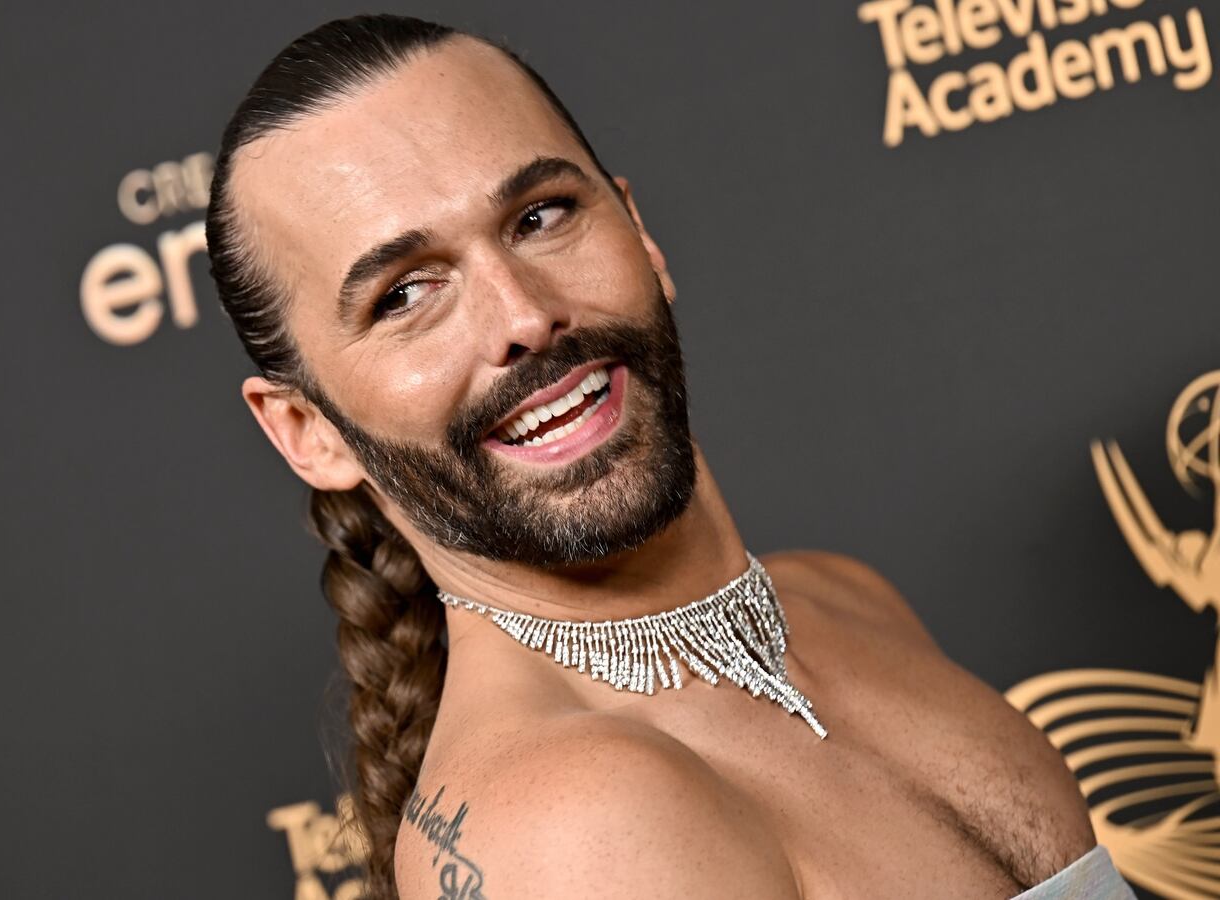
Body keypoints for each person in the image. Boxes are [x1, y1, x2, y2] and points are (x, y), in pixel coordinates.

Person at [204, 14, 1132, 899]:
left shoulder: (848, 600)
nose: (523, 316)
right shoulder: (565, 826)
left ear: (639, 233)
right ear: (307, 432)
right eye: (405, 294)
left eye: (539, 216)